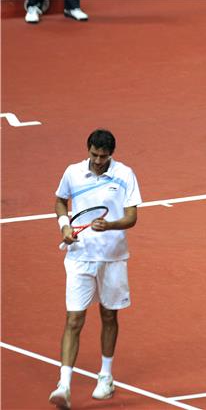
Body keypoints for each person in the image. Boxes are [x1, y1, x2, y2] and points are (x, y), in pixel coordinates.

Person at [49, 129, 141, 409]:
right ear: (87, 149)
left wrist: (110, 225)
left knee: (108, 316)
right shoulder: (72, 172)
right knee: (74, 319)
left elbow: (132, 217)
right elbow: (60, 201)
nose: (98, 161)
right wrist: (64, 226)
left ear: (111, 154)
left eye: (104, 156)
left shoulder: (125, 174)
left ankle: (106, 375)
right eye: (94, 155)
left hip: (113, 257)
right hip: (79, 256)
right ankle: (64, 384)